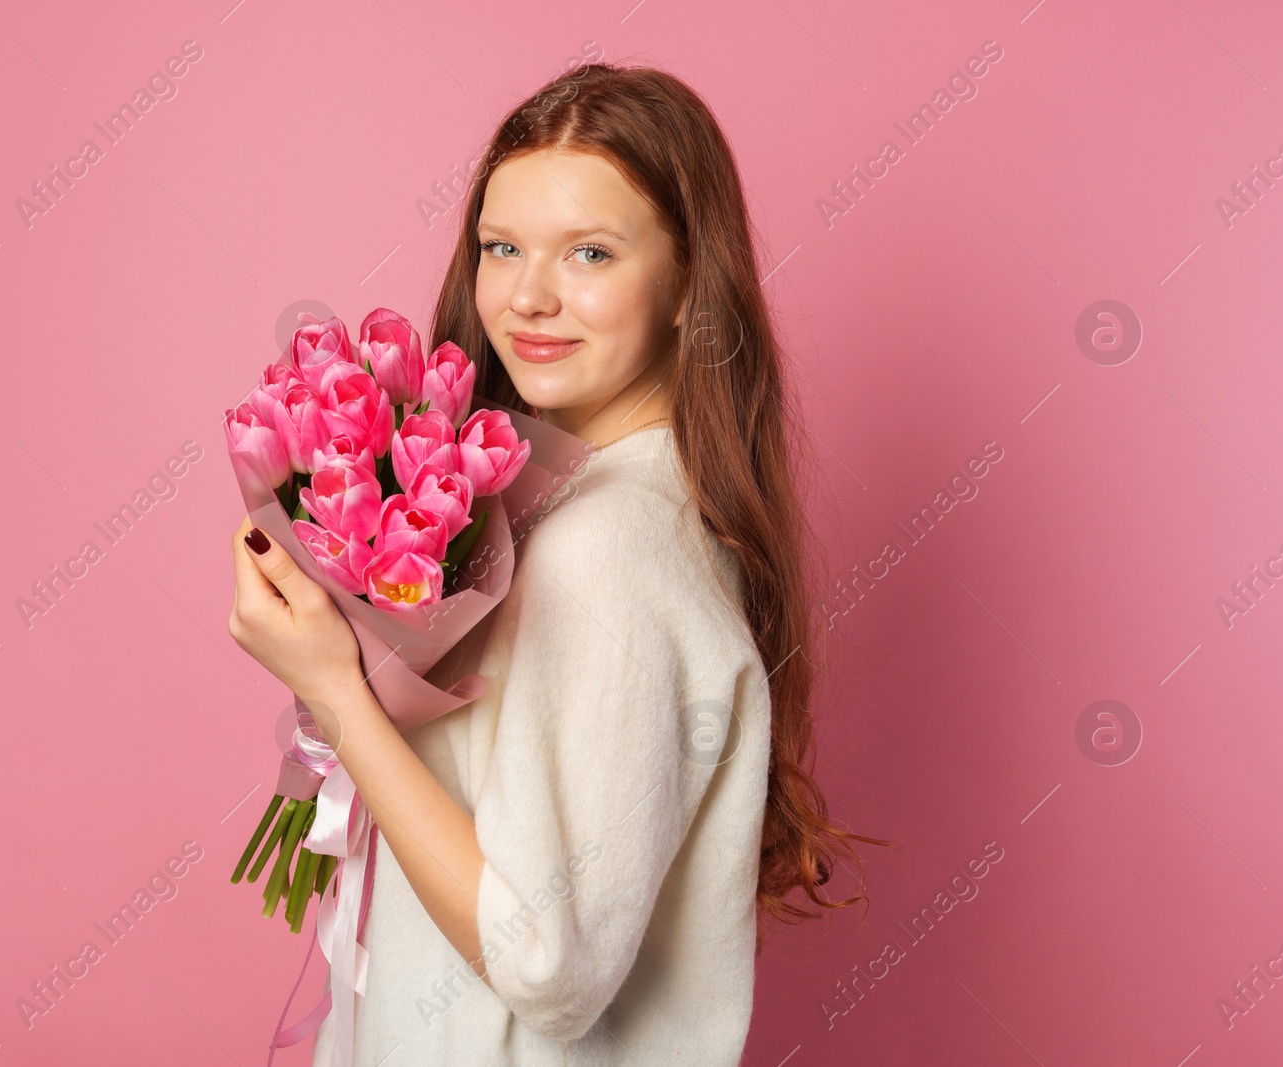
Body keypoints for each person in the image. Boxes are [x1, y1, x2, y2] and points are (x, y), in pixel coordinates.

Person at [229, 61, 887, 1066]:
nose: (530, 296)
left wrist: (335, 689)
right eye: (502, 247)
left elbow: (547, 962)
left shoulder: (601, 550)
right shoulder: (625, 512)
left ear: (682, 286)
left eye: (589, 251)